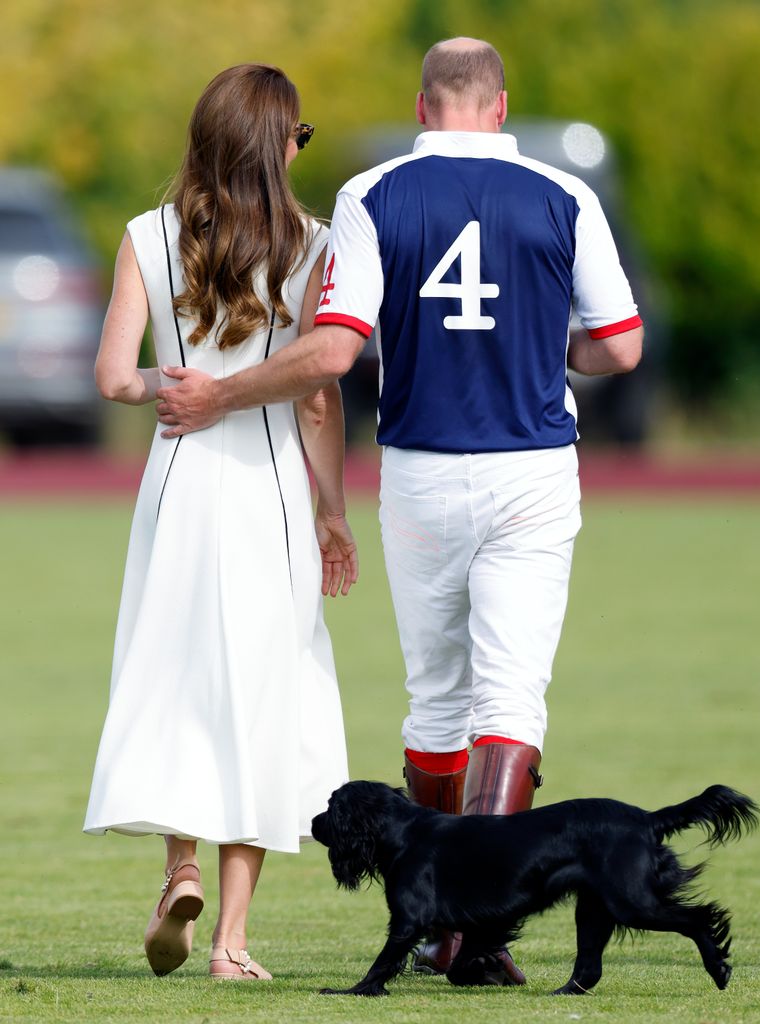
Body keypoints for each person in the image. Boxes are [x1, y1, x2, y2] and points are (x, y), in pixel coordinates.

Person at [155, 38, 643, 984]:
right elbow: (619, 348)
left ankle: (438, 931)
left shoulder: (372, 196)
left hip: (421, 469)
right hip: (534, 468)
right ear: (499, 107)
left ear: (424, 110)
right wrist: (550, 354)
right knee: (511, 697)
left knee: (438, 699)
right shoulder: (566, 196)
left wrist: (220, 393)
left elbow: (335, 353)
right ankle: (477, 934)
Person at [84, 63, 358, 982]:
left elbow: (117, 378)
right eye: (298, 134)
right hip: (271, 486)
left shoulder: (147, 236)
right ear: (273, 142)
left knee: (178, 674)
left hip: (179, 483)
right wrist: (334, 514)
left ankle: (180, 870)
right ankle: (233, 942)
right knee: (265, 695)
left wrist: (181, 385)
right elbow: (318, 397)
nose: (299, 146)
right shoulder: (313, 244)